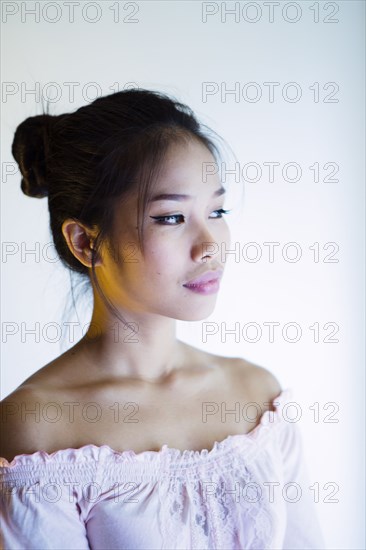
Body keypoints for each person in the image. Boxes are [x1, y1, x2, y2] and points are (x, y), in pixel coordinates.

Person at [0, 88, 325, 549]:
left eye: (217, 210)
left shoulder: (258, 398)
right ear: (85, 242)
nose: (210, 243)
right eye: (171, 218)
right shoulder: (37, 427)